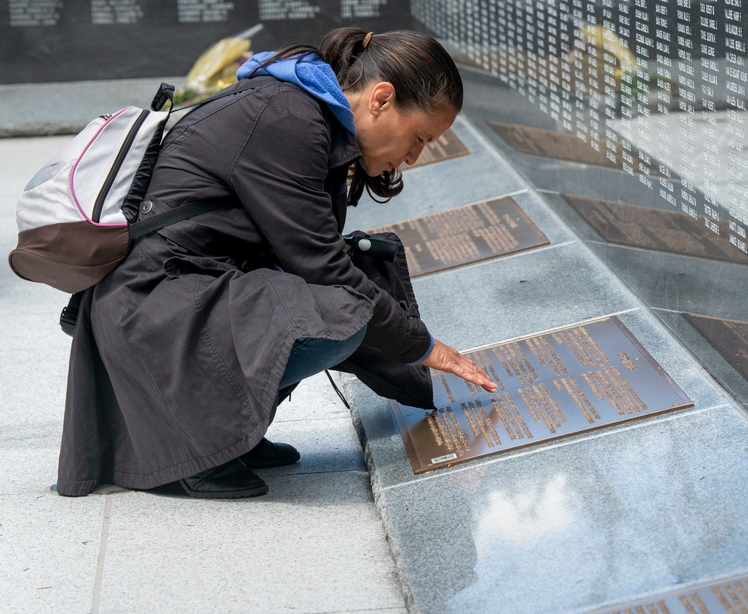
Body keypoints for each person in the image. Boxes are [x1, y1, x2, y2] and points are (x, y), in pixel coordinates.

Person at [57, 27, 496, 499]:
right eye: (420, 138)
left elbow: (310, 257)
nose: (412, 156)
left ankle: (230, 432)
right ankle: (198, 447)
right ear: (381, 99)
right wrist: (423, 347)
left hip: (177, 297)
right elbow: (322, 267)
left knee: (352, 284)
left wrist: (414, 362)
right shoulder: (287, 117)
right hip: (152, 307)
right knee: (338, 313)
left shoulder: (307, 113)